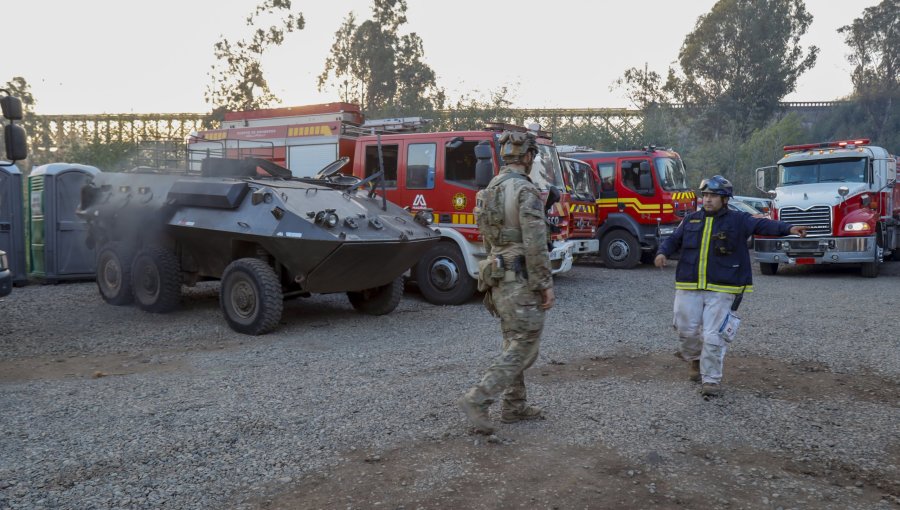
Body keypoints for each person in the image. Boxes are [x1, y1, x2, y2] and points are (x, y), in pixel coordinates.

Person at [654, 175, 807, 397]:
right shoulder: (690, 220)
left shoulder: (739, 220)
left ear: (725, 199)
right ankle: (694, 359)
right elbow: (672, 240)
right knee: (685, 330)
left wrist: (789, 228)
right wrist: (662, 252)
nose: (707, 200)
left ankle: (711, 380)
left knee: (713, 335)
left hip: (723, 287)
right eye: (705, 195)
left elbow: (762, 223)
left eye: (713, 196)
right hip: (688, 284)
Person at [458, 131, 555, 434]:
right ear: (528, 157)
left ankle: (515, 406)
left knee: (513, 340)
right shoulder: (526, 191)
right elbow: (536, 242)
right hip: (521, 278)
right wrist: (544, 282)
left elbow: (488, 239)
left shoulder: (490, 189)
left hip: (498, 275)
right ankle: (479, 398)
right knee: (524, 344)